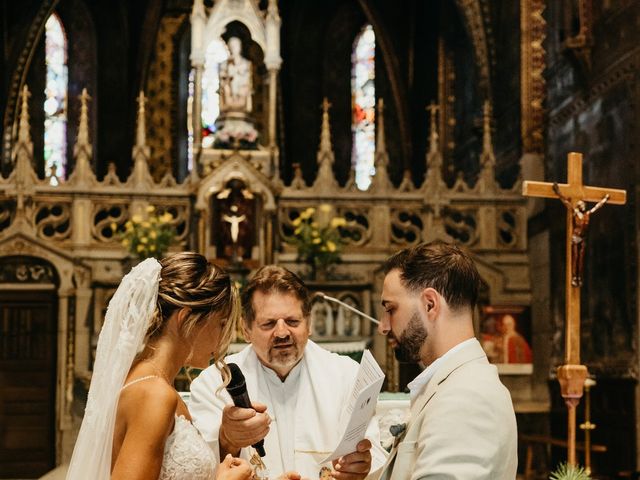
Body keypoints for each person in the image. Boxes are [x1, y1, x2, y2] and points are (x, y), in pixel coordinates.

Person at [66, 252, 253, 480]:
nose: (224, 336)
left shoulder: (144, 378)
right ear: (185, 319)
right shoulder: (154, 395)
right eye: (221, 323)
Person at [189, 265, 387, 479]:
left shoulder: (347, 375)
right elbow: (201, 470)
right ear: (245, 329)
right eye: (269, 324)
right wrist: (228, 439)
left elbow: (372, 449)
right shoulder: (214, 383)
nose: (282, 332)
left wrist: (361, 466)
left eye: (292, 322)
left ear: (309, 324)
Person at [377, 241, 517, 479]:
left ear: (430, 304)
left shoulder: (467, 396)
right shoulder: (452, 383)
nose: (383, 326)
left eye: (391, 309)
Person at [552, 182, 609, 287]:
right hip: (575, 238)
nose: (584, 205)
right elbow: (565, 202)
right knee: (575, 258)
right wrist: (558, 191)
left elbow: (597, 207)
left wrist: (604, 199)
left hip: (582, 238)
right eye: (582, 204)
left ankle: (579, 277)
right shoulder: (575, 212)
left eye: (584, 205)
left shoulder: (587, 214)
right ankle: (574, 277)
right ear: (579, 205)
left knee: (581, 261)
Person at [219, 37, 253, 114]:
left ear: (240, 47)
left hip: (241, 91)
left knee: (244, 88)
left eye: (236, 45)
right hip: (229, 93)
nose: (233, 48)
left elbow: (247, 79)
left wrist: (238, 72)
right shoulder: (225, 64)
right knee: (226, 88)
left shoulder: (246, 63)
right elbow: (222, 78)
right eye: (231, 46)